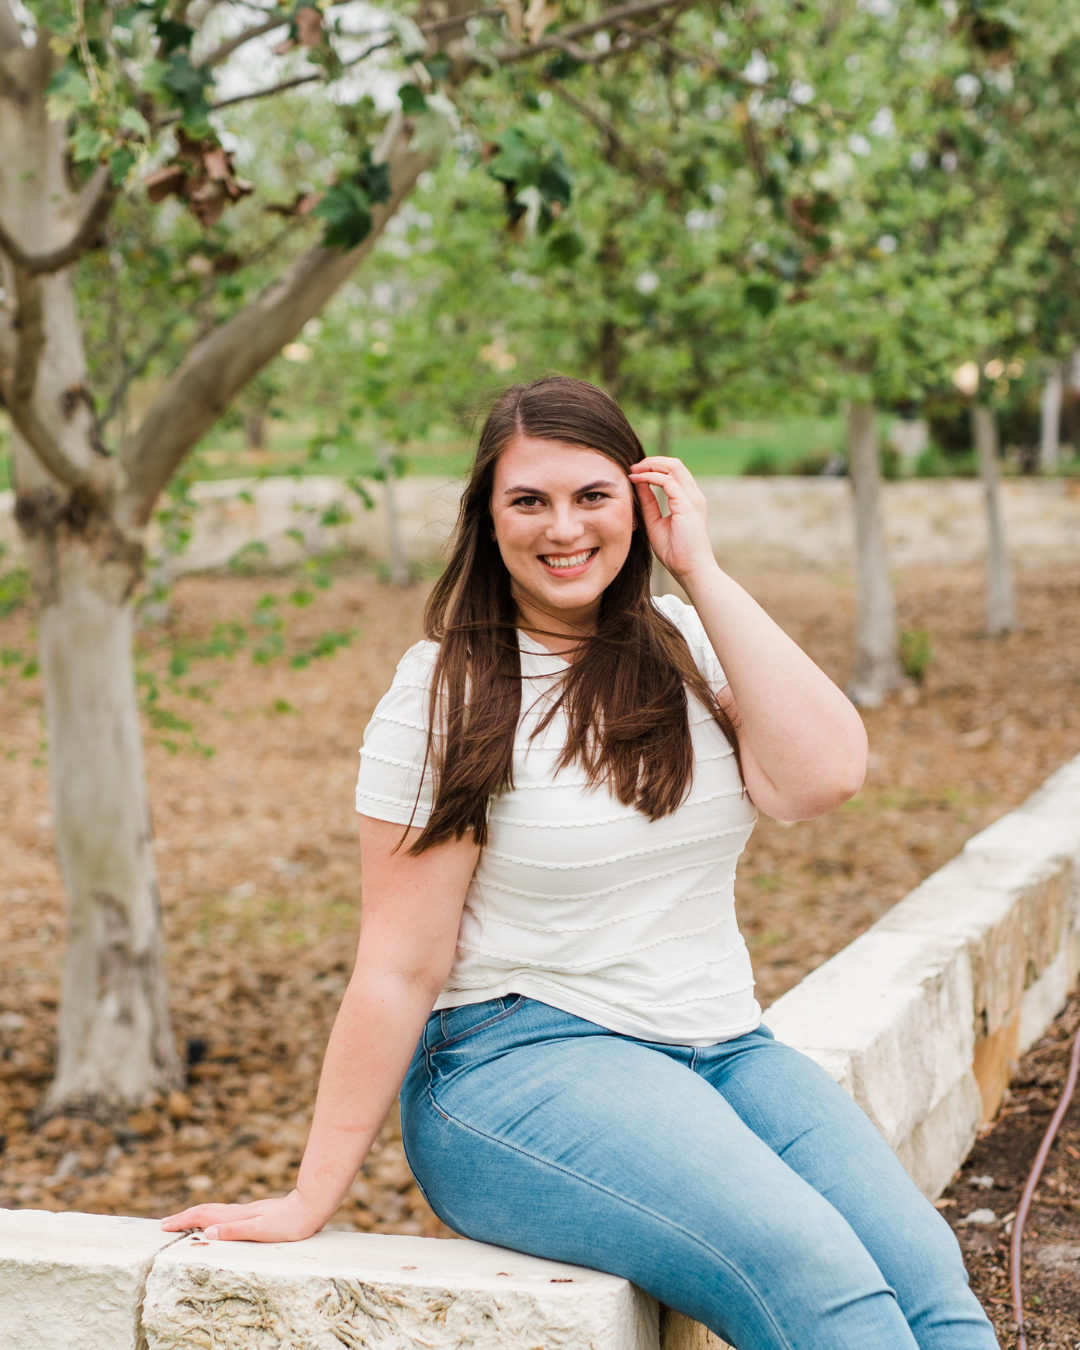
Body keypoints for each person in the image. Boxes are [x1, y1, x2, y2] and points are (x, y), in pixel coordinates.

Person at [163, 376, 997, 1350]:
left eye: (592, 496)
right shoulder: (445, 691)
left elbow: (823, 778)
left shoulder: (685, 643)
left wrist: (701, 569)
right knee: (812, 1271)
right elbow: (397, 964)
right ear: (488, 518)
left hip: (723, 1047)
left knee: (926, 1276)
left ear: (639, 502)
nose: (563, 528)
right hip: (512, 1064)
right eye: (529, 500)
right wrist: (312, 1194)